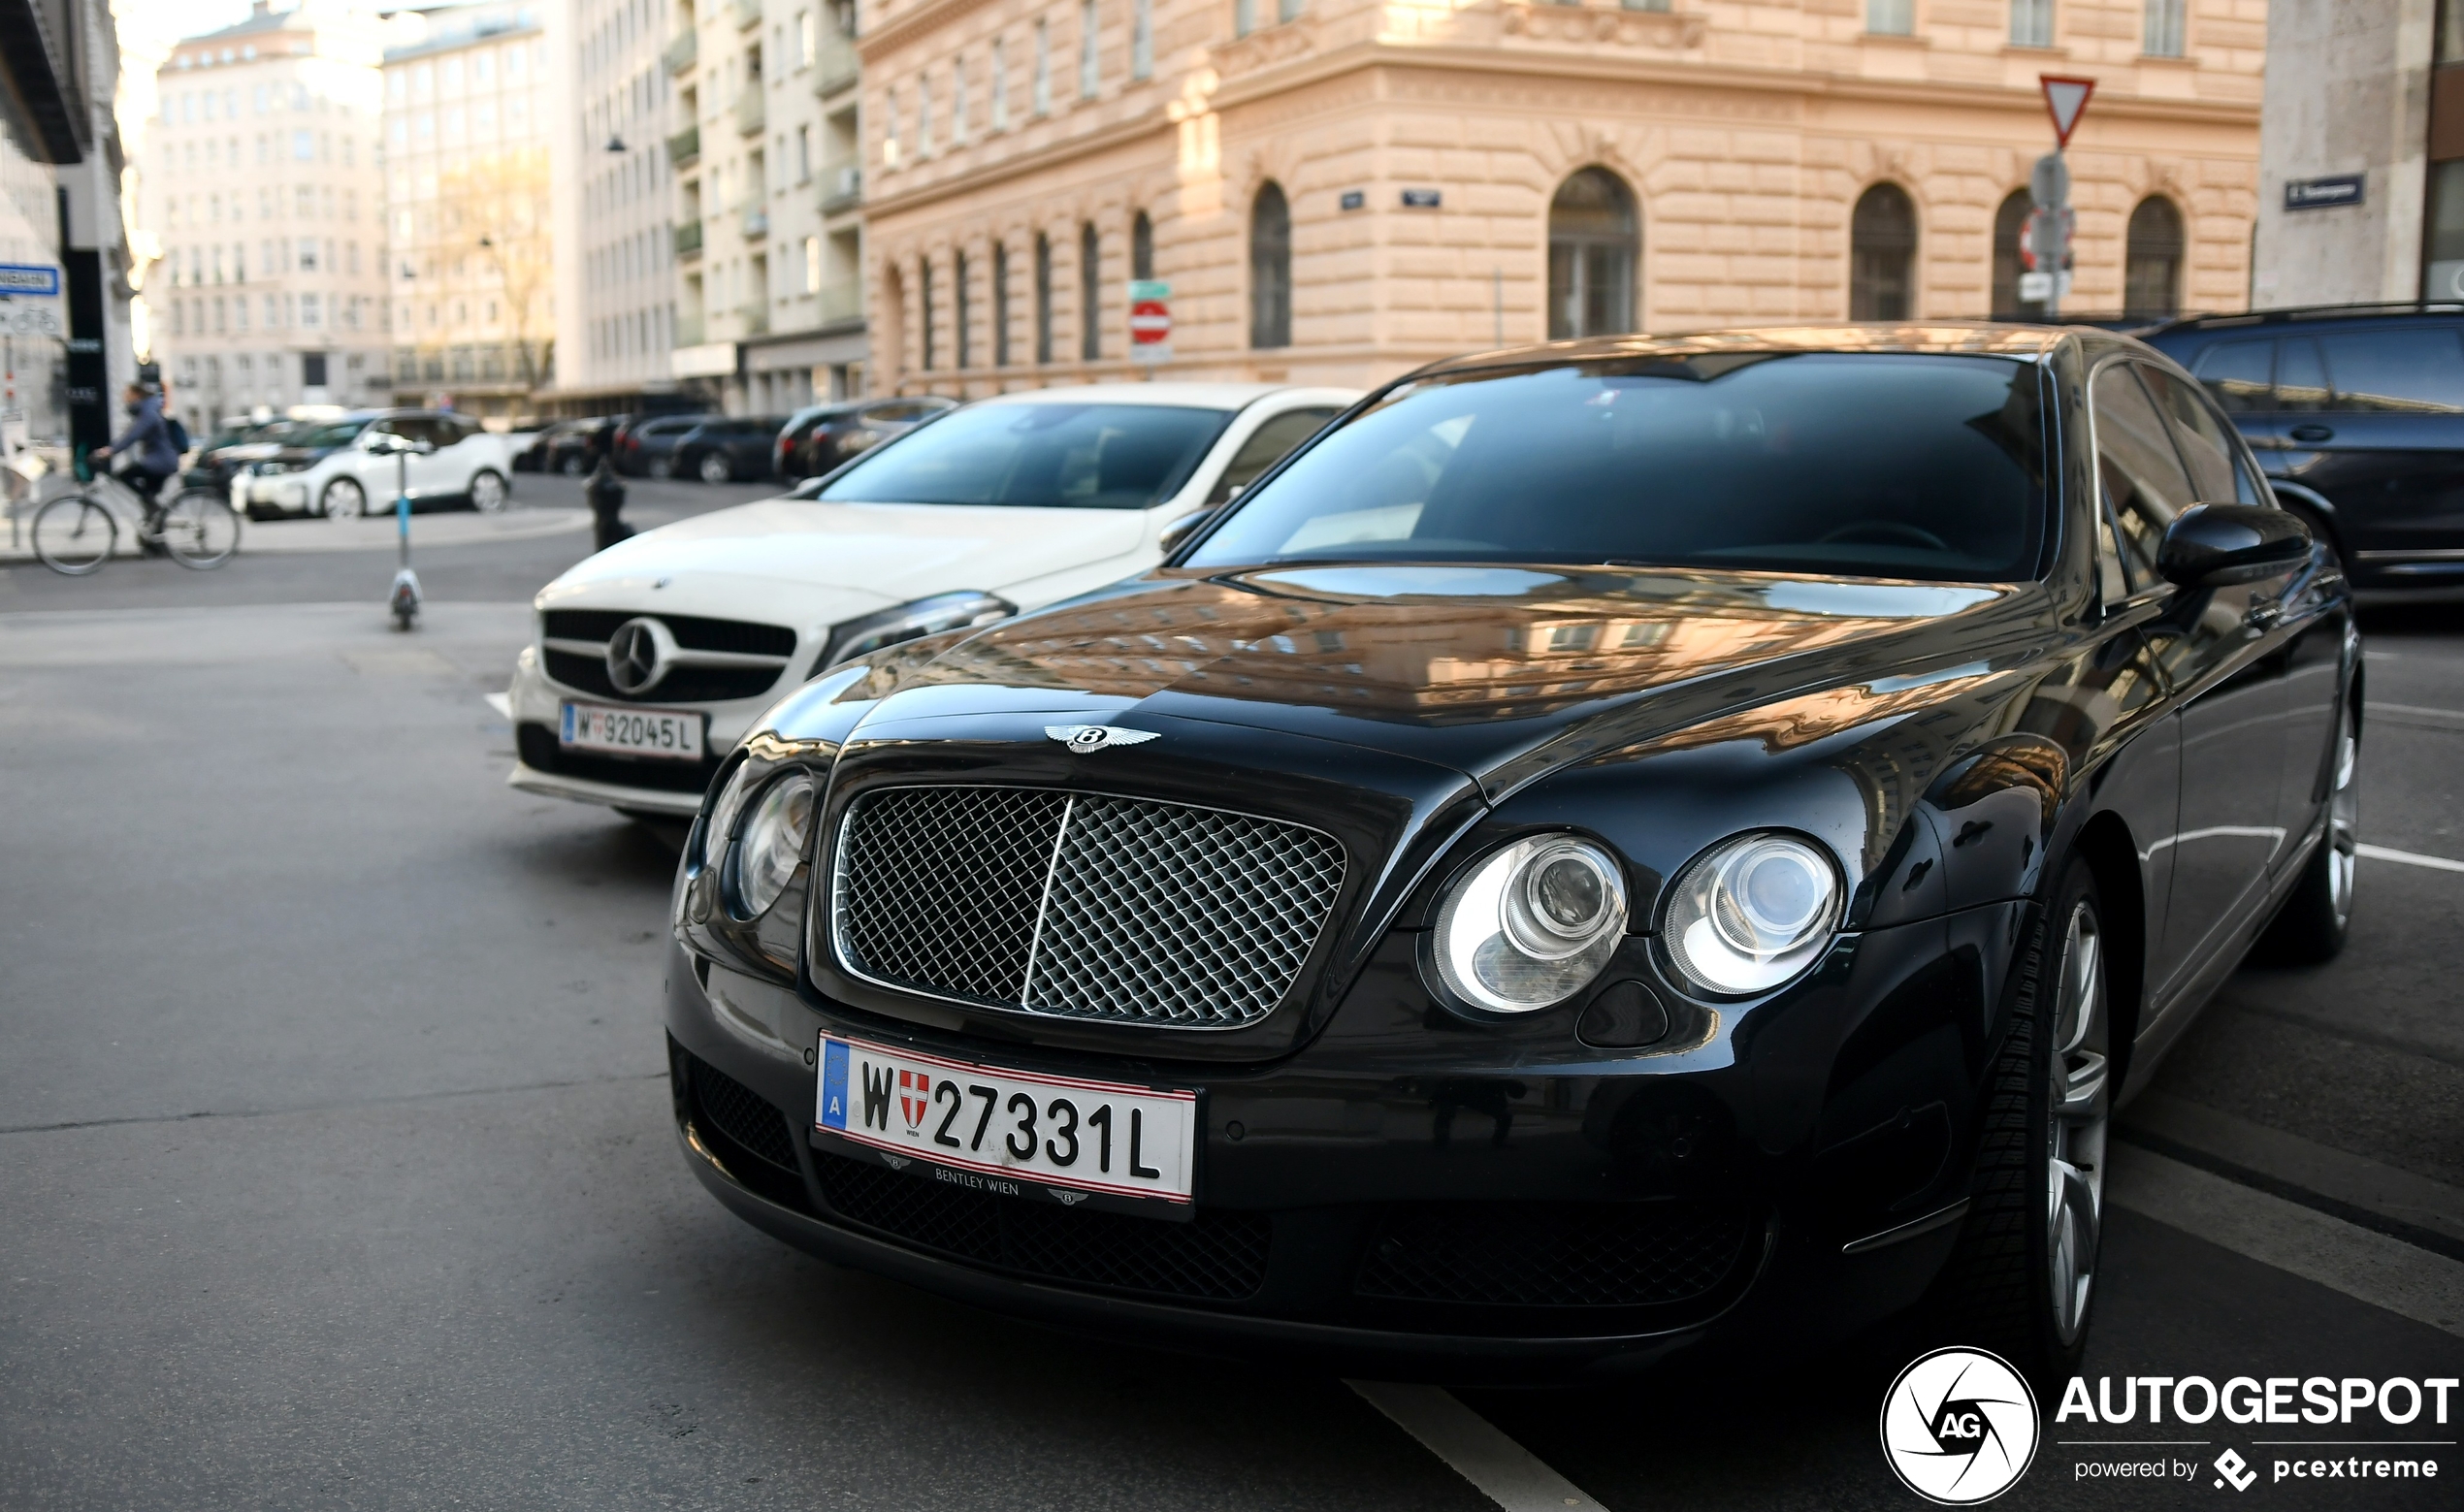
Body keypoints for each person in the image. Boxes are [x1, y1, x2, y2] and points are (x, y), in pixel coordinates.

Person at [89, 382, 183, 553]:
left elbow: (133, 436)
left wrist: (110, 451)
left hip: (161, 462)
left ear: (136, 394)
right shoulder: (147, 410)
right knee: (150, 504)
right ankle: (154, 542)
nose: (124, 398)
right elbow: (129, 434)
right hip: (160, 461)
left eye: (126, 394)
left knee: (124, 476)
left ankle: (152, 510)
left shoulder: (148, 412)